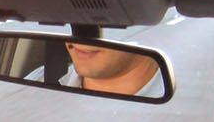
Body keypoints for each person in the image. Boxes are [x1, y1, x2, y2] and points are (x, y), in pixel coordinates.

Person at [26, 40, 165, 98]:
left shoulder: (176, 110)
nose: (82, 31)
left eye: (103, 17)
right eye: (70, 13)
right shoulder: (37, 83)